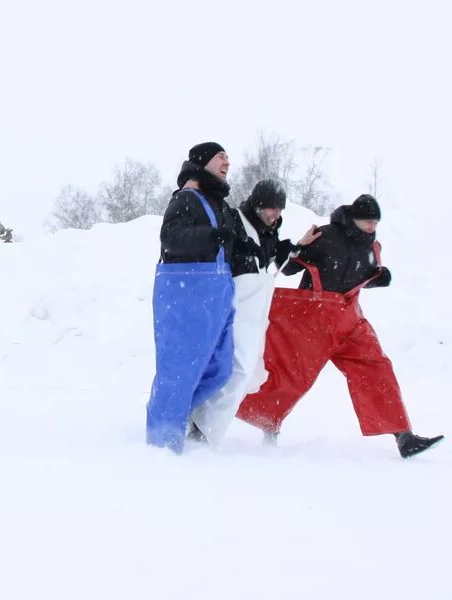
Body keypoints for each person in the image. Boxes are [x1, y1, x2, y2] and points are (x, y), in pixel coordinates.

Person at [236, 194, 444, 458]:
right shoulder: (325, 235)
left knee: (377, 368)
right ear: (354, 218)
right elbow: (287, 269)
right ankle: (245, 417)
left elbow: (358, 276)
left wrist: (378, 278)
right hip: (313, 320)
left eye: (375, 223)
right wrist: (299, 247)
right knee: (290, 379)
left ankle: (404, 438)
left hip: (350, 320)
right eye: (368, 222)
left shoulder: (372, 247)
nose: (372, 227)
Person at [146, 142, 259, 453]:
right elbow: (170, 237)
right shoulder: (186, 198)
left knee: (220, 367)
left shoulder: (217, 204)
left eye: (228, 157)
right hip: (185, 293)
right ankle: (162, 443)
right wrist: (211, 237)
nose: (227, 161)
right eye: (220, 156)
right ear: (202, 162)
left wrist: (244, 251)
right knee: (180, 369)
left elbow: (221, 245)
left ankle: (175, 412)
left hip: (216, 293)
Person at [189, 179, 321, 444]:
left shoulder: (269, 232)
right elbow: (215, 250)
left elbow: (271, 260)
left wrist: (297, 246)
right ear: (257, 204)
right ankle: (203, 431)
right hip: (232, 308)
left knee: (247, 374)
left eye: (279, 210)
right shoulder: (235, 221)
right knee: (233, 370)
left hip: (254, 316)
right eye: (271, 208)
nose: (276, 214)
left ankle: (203, 423)